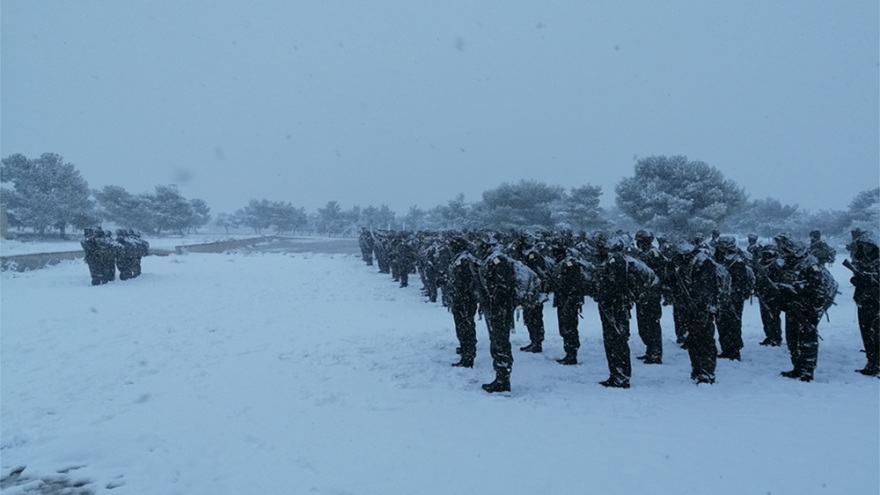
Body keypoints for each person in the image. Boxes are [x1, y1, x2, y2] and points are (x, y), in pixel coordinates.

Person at [773, 234, 837, 382]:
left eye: (787, 250)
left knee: (807, 340)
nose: (784, 253)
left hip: (807, 310)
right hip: (792, 307)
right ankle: (797, 367)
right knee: (792, 339)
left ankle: (807, 371)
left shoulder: (811, 265)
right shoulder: (790, 262)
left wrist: (798, 292)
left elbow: (817, 290)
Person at [475, 233, 518, 393]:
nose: (476, 244)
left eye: (479, 241)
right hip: (494, 308)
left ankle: (503, 380)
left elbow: (502, 286)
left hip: (499, 309)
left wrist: (495, 303)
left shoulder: (497, 259)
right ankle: (501, 377)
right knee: (497, 342)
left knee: (500, 342)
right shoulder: (489, 259)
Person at [844, 230, 879, 376]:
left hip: (877, 301)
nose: (865, 248)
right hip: (864, 301)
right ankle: (871, 363)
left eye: (868, 246)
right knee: (866, 334)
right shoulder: (860, 260)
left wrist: (870, 280)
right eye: (863, 245)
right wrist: (857, 280)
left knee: (876, 333)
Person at [714, 235, 754, 361]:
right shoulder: (717, 257)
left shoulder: (737, 261)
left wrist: (733, 295)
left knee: (733, 323)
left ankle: (734, 350)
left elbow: (740, 282)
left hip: (733, 297)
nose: (719, 248)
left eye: (722, 245)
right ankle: (726, 348)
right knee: (721, 322)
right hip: (720, 296)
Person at [549, 241, 589, 365]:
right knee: (565, 328)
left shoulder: (569, 264)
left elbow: (574, 284)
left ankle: (572, 354)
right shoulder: (562, 263)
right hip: (563, 300)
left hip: (569, 301)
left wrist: (571, 299)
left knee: (569, 328)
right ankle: (569, 352)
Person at [446, 236, 481, 369]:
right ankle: (465, 347)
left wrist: (461, 294)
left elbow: (466, 283)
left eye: (451, 246)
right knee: (462, 326)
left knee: (466, 326)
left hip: (465, 299)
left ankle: (468, 356)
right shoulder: (461, 258)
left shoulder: (464, 260)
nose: (449, 249)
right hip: (461, 298)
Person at [512, 232, 550, 353]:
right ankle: (534, 341)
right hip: (529, 291)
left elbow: (538, 274)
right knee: (529, 317)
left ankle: (537, 342)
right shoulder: (525, 254)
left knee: (535, 318)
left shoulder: (532, 255)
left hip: (534, 292)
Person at [633, 229, 666, 364]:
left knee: (652, 324)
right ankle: (650, 350)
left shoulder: (654, 254)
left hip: (651, 295)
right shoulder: (644, 253)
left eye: (640, 241)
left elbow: (658, 275)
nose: (638, 243)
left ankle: (655, 353)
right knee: (644, 325)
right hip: (642, 295)